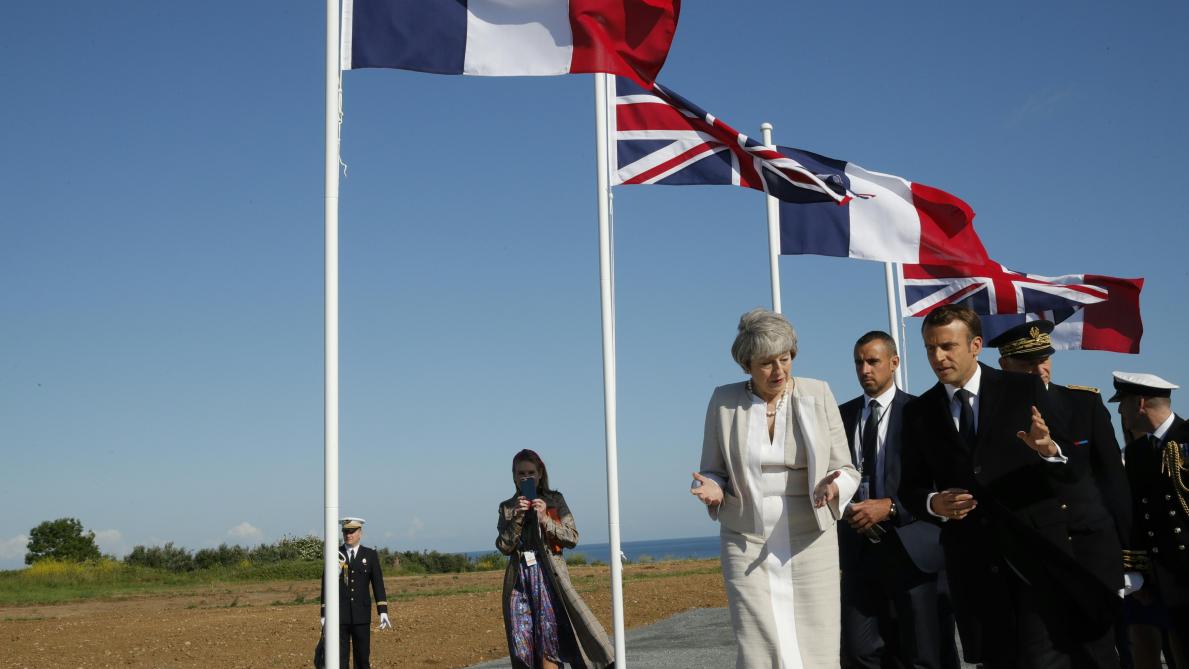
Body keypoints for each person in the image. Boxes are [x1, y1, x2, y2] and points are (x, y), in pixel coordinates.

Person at [898, 305, 1123, 668]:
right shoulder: (919, 412)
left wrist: (1048, 450)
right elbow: (910, 487)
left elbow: (1073, 468)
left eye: (947, 346)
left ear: (975, 345)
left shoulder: (1024, 388)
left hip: (1035, 556)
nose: (938, 357)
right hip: (973, 564)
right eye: (930, 348)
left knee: (1045, 660)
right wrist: (934, 503)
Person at [691, 308, 859, 668]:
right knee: (757, 643)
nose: (779, 371)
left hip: (811, 536)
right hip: (745, 538)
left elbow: (845, 468)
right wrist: (715, 489)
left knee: (817, 639)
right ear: (747, 364)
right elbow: (713, 470)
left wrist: (836, 487)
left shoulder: (819, 393)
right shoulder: (724, 401)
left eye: (785, 359)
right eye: (767, 363)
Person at [838, 330, 954, 669]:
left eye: (872, 361)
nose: (865, 369)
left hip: (913, 548)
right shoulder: (841, 416)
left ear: (894, 362)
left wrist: (890, 507)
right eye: (859, 362)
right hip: (859, 551)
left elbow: (939, 483)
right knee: (859, 652)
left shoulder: (923, 412)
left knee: (922, 654)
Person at [496, 449, 614, 669]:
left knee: (549, 643)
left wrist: (545, 519)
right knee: (522, 646)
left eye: (531, 472)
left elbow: (572, 538)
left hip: (550, 578)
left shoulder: (555, 500)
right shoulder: (507, 507)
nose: (526, 477)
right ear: (514, 476)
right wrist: (519, 517)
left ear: (540, 473)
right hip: (519, 582)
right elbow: (503, 546)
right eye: (521, 473)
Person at [1109, 371, 1188, 668]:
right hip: (1157, 580)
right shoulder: (1138, 452)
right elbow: (1136, 516)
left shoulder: (1186, 438)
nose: (1119, 410)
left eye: (1123, 403)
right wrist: (1137, 574)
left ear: (1140, 403)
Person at [319, 517, 390, 669]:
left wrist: (382, 610)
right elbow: (325, 584)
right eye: (345, 531)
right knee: (339, 659)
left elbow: (378, 583)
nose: (348, 535)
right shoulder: (334, 554)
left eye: (352, 531)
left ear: (360, 533)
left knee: (362, 659)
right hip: (339, 615)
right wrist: (324, 612)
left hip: (361, 615)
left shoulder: (370, 555)